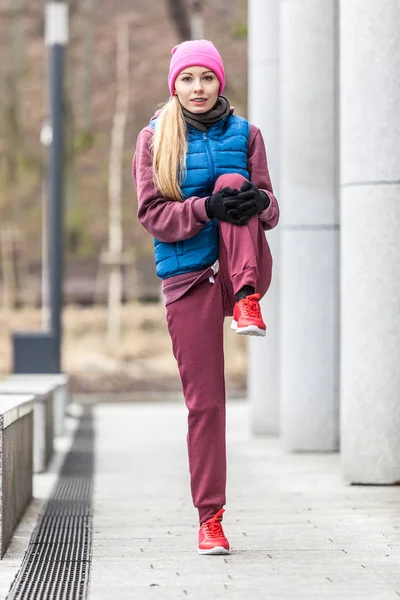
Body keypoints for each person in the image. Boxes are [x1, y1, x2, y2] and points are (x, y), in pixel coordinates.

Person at [132, 39, 279, 555]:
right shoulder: (153, 139)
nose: (198, 88)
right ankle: (210, 518)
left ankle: (246, 298)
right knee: (207, 404)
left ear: (221, 82)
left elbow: (270, 208)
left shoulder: (248, 133)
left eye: (207, 78)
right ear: (175, 84)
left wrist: (258, 199)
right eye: (188, 79)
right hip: (189, 277)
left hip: (242, 270)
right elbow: (153, 214)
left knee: (238, 180)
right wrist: (205, 209)